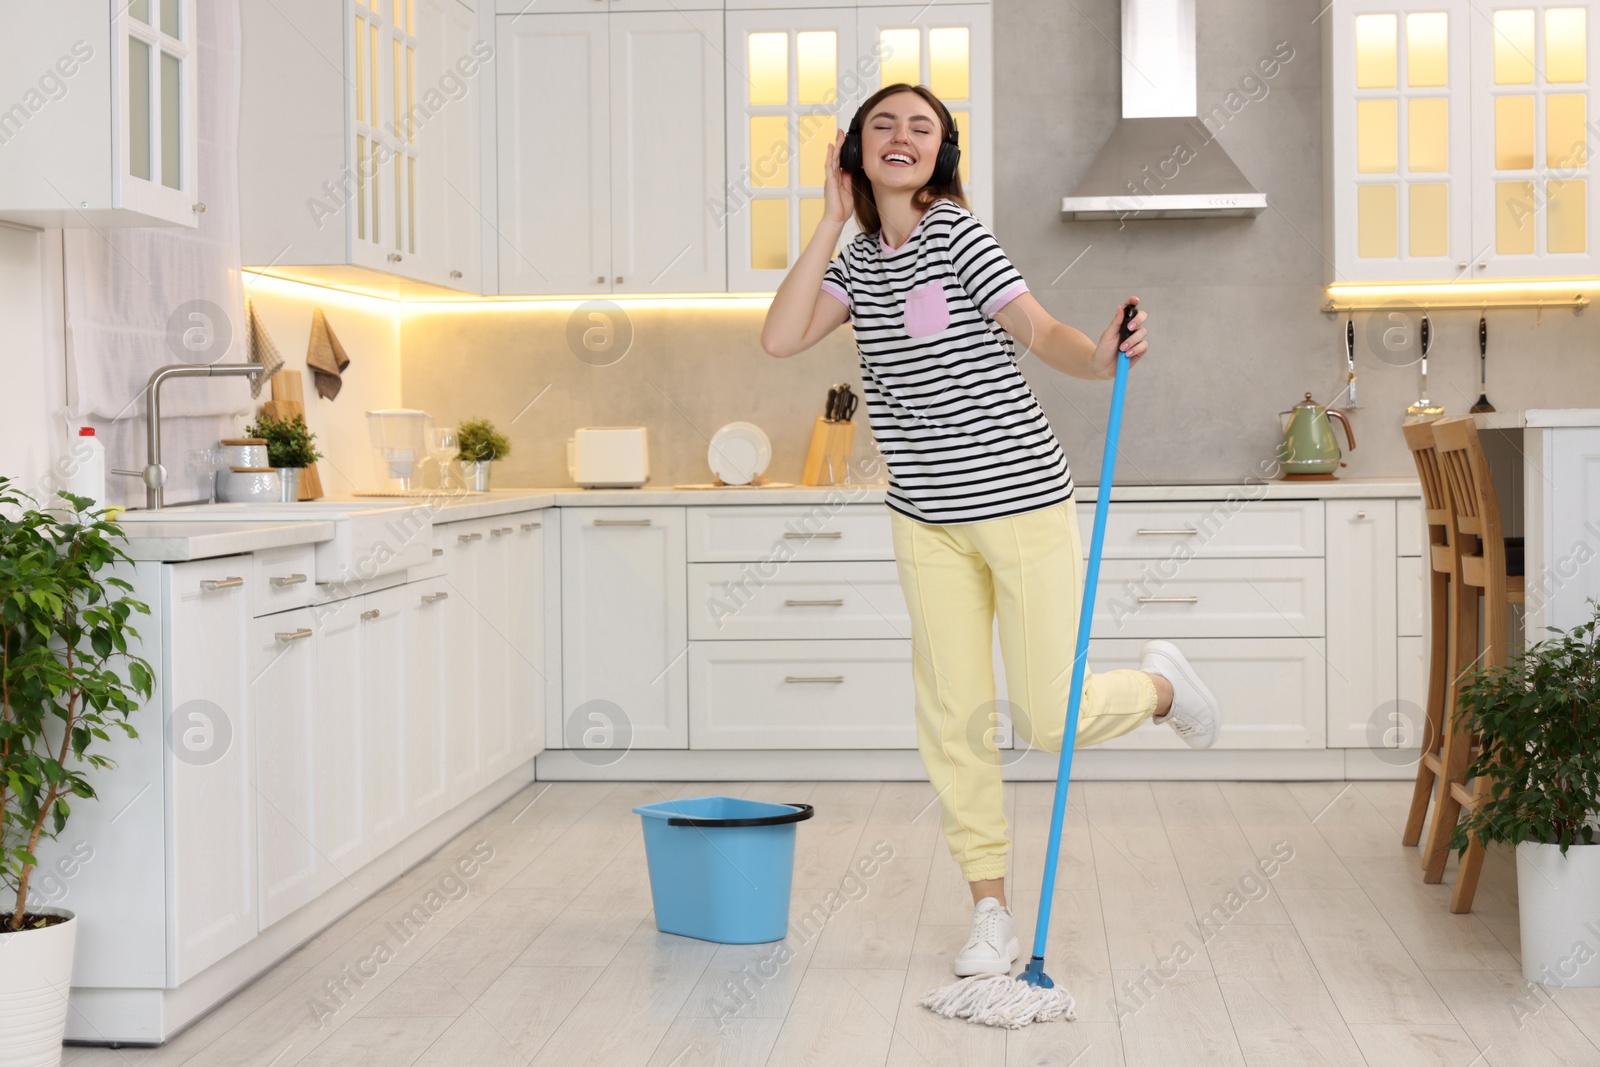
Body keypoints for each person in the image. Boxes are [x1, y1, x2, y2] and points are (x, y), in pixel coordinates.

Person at [759, 83, 1220, 977]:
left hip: (1017, 499)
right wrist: (828, 217)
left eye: (920, 128)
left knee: (1048, 715)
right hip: (924, 518)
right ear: (855, 150)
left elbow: (1036, 329)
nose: (901, 137)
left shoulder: (957, 234)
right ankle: (989, 912)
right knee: (955, 721)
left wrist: (1097, 355)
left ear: (942, 153)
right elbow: (780, 338)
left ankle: (1161, 689)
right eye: (881, 126)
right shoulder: (855, 264)